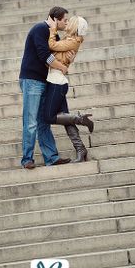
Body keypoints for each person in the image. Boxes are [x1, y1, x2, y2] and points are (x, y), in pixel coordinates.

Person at [19, 6, 75, 169]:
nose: (66, 23)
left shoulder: (54, 35)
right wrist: (62, 68)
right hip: (32, 80)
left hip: (45, 80)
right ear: (55, 18)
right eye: (64, 20)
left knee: (43, 121)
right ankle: (27, 159)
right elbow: (44, 55)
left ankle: (51, 157)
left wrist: (68, 59)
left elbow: (56, 57)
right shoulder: (40, 29)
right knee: (30, 122)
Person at [44, 15, 94, 163]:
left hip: (56, 81)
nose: (66, 23)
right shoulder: (71, 40)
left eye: (69, 22)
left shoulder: (72, 41)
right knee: (65, 118)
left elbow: (52, 46)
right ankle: (81, 149)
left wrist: (53, 30)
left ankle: (80, 119)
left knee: (48, 117)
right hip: (57, 79)